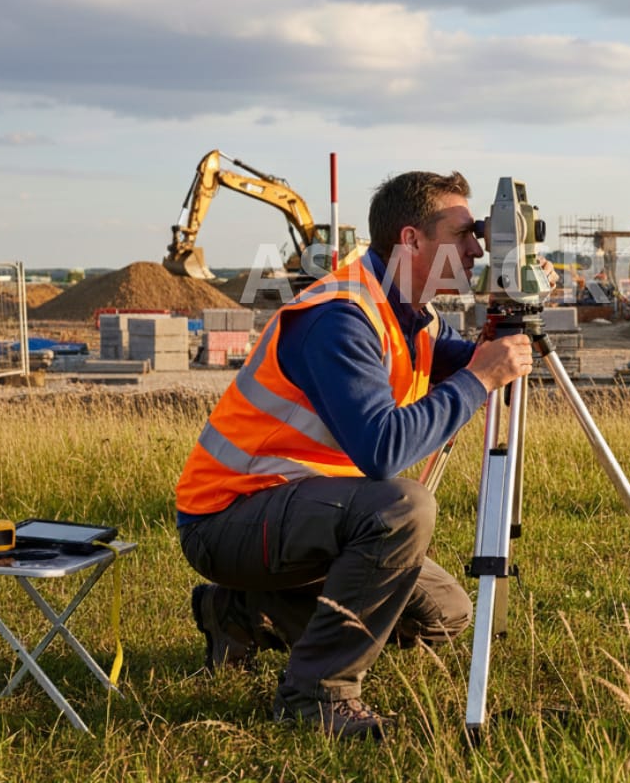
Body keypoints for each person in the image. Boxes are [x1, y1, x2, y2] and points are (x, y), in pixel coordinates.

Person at [176, 171, 545, 740]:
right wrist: (480, 377)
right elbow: (383, 450)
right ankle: (315, 697)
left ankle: (240, 616)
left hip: (306, 509)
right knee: (402, 507)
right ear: (412, 242)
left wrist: (511, 314)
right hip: (230, 516)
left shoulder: (410, 312)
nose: (476, 246)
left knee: (445, 618)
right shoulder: (341, 317)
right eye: (464, 232)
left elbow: (470, 361)